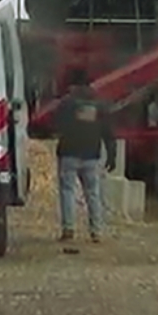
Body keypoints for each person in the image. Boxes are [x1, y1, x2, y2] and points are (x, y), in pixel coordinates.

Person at [53, 69, 117, 243]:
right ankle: (96, 231)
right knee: (93, 193)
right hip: (92, 154)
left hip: (68, 152)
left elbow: (55, 125)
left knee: (67, 191)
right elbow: (108, 132)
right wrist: (112, 155)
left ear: (72, 85)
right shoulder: (100, 105)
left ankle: (69, 228)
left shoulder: (66, 104)